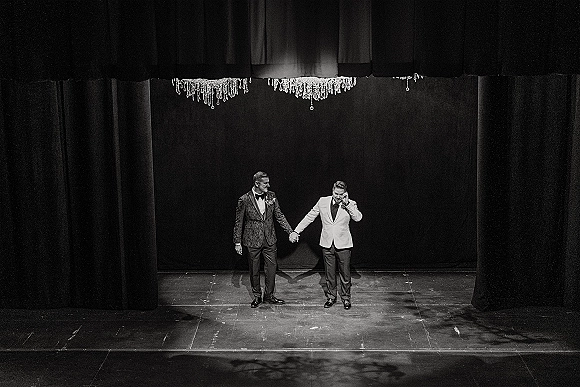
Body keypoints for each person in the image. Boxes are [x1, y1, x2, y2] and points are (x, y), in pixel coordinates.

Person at [234, 171, 299, 308]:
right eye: (265, 183)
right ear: (257, 183)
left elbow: (279, 215)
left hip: (269, 239)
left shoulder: (272, 196)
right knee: (254, 269)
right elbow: (239, 222)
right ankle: (257, 296)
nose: (268, 185)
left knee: (271, 268)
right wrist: (237, 242)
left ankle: (269, 295)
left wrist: (290, 231)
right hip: (252, 240)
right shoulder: (244, 199)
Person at [293, 181, 362, 309]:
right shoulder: (323, 201)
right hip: (327, 243)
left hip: (343, 244)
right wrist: (296, 231)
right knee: (329, 273)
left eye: (341, 194)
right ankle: (331, 297)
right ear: (332, 191)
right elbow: (310, 216)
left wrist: (347, 204)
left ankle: (346, 298)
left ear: (345, 193)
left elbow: (358, 218)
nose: (338, 196)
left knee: (345, 274)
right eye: (336, 193)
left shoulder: (350, 203)